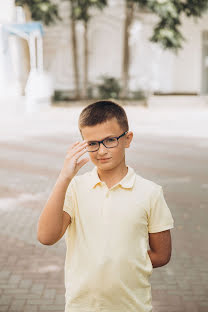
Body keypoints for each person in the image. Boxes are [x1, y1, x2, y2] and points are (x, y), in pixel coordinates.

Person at [37, 100, 174, 312]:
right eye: (92, 143)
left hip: (132, 306)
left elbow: (162, 254)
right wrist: (64, 177)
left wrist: (121, 263)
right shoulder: (75, 188)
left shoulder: (151, 192)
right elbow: (46, 237)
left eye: (110, 140)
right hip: (81, 306)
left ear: (127, 139)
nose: (101, 151)